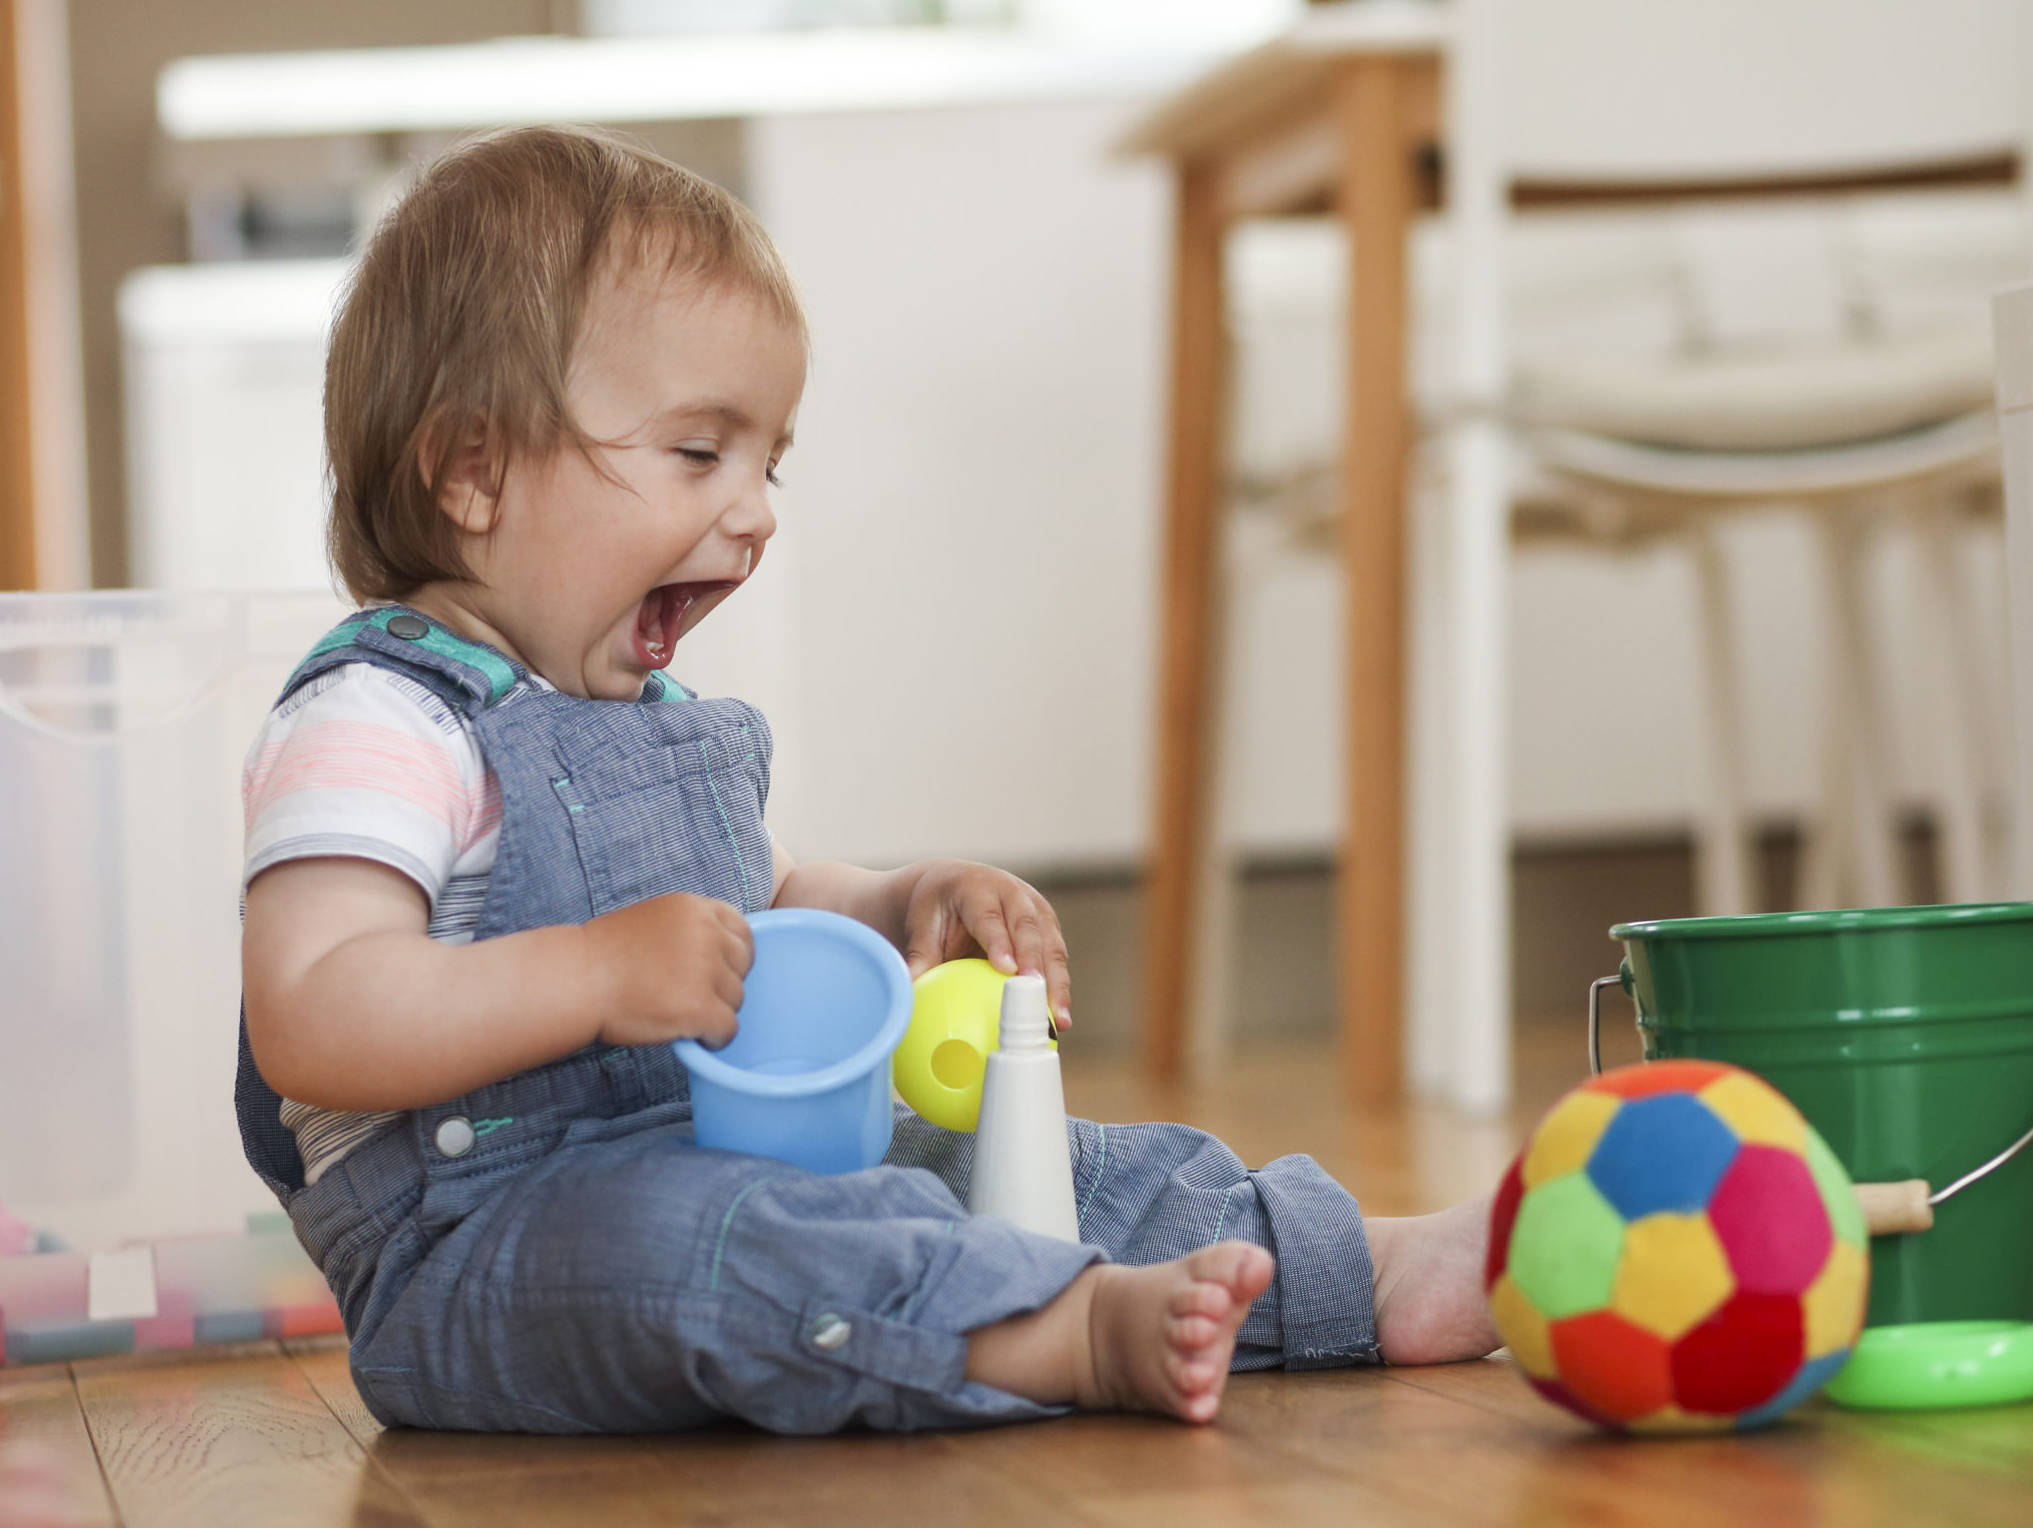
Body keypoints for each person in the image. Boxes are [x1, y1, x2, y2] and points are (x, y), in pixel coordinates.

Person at [237, 126, 1499, 1437]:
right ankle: (1067, 1333)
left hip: (716, 1153)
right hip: (485, 1246)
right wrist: (598, 976)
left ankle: (1363, 1269)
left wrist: (900, 904)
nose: (758, 512)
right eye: (696, 454)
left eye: (766, 462)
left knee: (1011, 1157)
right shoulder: (378, 721)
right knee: (753, 1241)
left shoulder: (639, 708)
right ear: (474, 471)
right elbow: (314, 1012)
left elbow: (764, 898)